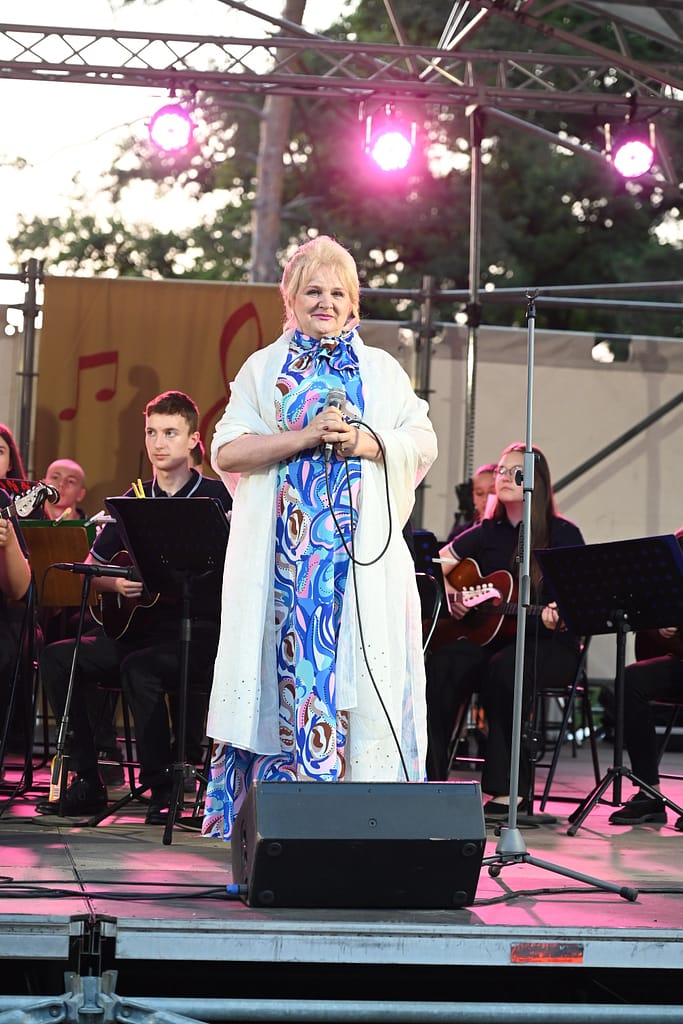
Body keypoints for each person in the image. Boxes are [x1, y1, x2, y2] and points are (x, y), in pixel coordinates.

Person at [201, 234, 438, 841]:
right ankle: (276, 828)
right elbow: (226, 450)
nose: (325, 302)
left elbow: (422, 441)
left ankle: (360, 824)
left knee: (361, 681)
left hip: (358, 568)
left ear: (354, 302)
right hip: (283, 568)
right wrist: (304, 436)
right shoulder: (263, 369)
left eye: (337, 292)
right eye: (313, 291)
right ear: (290, 299)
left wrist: (367, 442)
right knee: (281, 680)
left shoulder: (381, 371)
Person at [35, 390, 232, 822]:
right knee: (57, 658)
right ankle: (88, 781)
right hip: (138, 633)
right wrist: (116, 583)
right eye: (151, 432)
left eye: (170, 433)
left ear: (193, 439)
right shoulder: (134, 499)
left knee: (140, 669)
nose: (158, 443)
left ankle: (163, 788)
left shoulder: (218, 498)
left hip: (198, 633)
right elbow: (91, 569)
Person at [425, 442, 585, 816]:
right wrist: (454, 598)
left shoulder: (562, 534)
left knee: (507, 669)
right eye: (501, 470)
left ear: (536, 482)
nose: (505, 477)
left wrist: (560, 612)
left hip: (550, 644)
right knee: (443, 663)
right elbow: (436, 565)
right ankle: (430, 778)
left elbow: (580, 599)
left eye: (517, 472)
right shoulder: (485, 531)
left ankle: (508, 791)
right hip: (494, 641)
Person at [608, 526, 683, 830]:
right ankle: (648, 791)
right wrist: (660, 621)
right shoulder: (677, 546)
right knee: (631, 680)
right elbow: (644, 602)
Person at [446, 462, 496, 544]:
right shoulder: (460, 533)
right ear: (473, 496)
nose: (485, 499)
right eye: (479, 493)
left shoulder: (514, 533)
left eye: (492, 492)